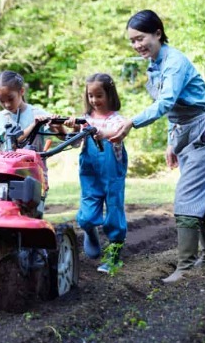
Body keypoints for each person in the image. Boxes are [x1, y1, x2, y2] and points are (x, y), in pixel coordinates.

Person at [109, 10, 205, 283]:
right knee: (202, 195)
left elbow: (165, 103)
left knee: (187, 197)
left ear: (158, 33)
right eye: (132, 41)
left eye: (141, 39)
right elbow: (173, 111)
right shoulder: (154, 64)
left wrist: (131, 123)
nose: (137, 45)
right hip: (184, 131)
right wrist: (171, 143)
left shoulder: (174, 62)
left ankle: (185, 267)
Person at [65, 73, 128, 274]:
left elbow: (115, 133)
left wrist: (101, 133)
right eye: (90, 96)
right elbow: (73, 143)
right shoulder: (85, 120)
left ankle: (114, 256)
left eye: (99, 95)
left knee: (114, 213)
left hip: (112, 174)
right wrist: (69, 128)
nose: (94, 100)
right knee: (86, 215)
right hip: (90, 173)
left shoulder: (118, 120)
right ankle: (90, 232)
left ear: (110, 94)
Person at [0, 70, 66, 217]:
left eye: (10, 99)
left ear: (21, 92)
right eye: (1, 100)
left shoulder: (37, 112)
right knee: (8, 209)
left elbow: (63, 137)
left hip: (35, 171)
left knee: (34, 210)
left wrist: (57, 126)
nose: (6, 104)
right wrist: (34, 124)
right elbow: (13, 141)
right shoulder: (3, 117)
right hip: (9, 171)